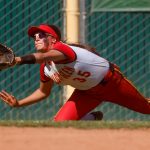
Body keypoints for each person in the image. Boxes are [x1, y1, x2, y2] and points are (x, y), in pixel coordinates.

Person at [0, 24, 150, 121]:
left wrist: (17, 60)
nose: (36, 38)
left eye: (42, 35)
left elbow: (42, 57)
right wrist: (19, 103)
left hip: (112, 83)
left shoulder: (62, 49)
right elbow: (43, 92)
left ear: (53, 39)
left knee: (146, 109)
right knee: (59, 123)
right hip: (87, 93)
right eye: (35, 36)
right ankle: (93, 118)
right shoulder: (46, 68)